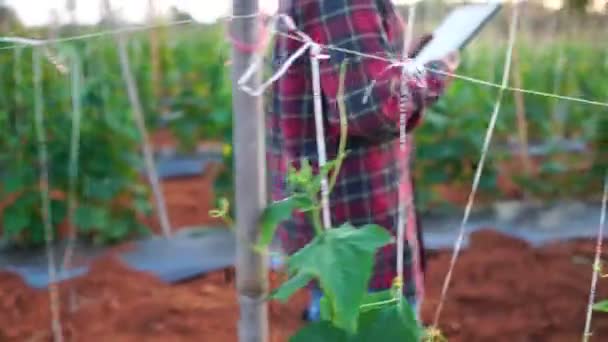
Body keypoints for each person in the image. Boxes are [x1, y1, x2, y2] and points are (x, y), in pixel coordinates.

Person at [267, 0, 459, 321]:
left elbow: (353, 82)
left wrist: (408, 62)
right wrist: (434, 73)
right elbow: (371, 111)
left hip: (334, 222)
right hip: (355, 227)